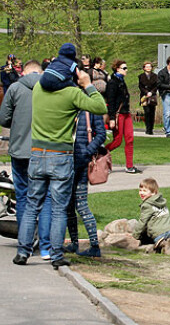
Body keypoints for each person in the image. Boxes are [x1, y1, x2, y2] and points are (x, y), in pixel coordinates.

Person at [13, 59, 107, 269]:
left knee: (31, 206)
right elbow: (100, 107)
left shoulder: (37, 90)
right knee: (58, 208)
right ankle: (56, 255)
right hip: (61, 156)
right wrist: (87, 83)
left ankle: (23, 251)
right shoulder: (71, 94)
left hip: (37, 154)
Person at [0, 60, 53, 260]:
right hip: (43, 150)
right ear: (40, 72)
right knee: (46, 197)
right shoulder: (50, 89)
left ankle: (25, 242)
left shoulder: (15, 88)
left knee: (23, 196)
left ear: (25, 72)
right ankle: (46, 246)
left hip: (20, 149)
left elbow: (3, 118)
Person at [64, 109, 106, 257]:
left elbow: (101, 134)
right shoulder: (69, 104)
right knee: (69, 205)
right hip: (66, 160)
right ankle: (74, 243)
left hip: (80, 163)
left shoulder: (90, 108)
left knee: (81, 205)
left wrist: (87, 152)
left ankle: (94, 245)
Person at [106, 60, 140, 174]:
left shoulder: (122, 81)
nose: (126, 70)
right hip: (118, 114)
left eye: (126, 68)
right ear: (117, 69)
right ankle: (101, 153)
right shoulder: (112, 83)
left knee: (130, 139)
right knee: (117, 141)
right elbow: (110, 101)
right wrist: (111, 118)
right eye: (124, 68)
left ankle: (129, 166)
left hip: (126, 113)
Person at [132, 177, 170, 246]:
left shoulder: (147, 205)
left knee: (155, 242)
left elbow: (142, 221)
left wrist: (135, 235)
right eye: (140, 190)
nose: (141, 193)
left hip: (159, 234)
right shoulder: (161, 201)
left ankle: (162, 244)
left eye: (144, 191)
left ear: (153, 192)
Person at [138, 61, 158, 135]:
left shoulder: (155, 76)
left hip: (152, 96)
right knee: (147, 112)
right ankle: (147, 128)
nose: (148, 68)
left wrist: (151, 92)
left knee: (152, 112)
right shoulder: (141, 76)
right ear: (144, 68)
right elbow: (140, 86)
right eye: (147, 66)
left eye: (150, 66)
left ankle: (151, 129)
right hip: (144, 96)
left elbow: (156, 86)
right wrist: (146, 92)